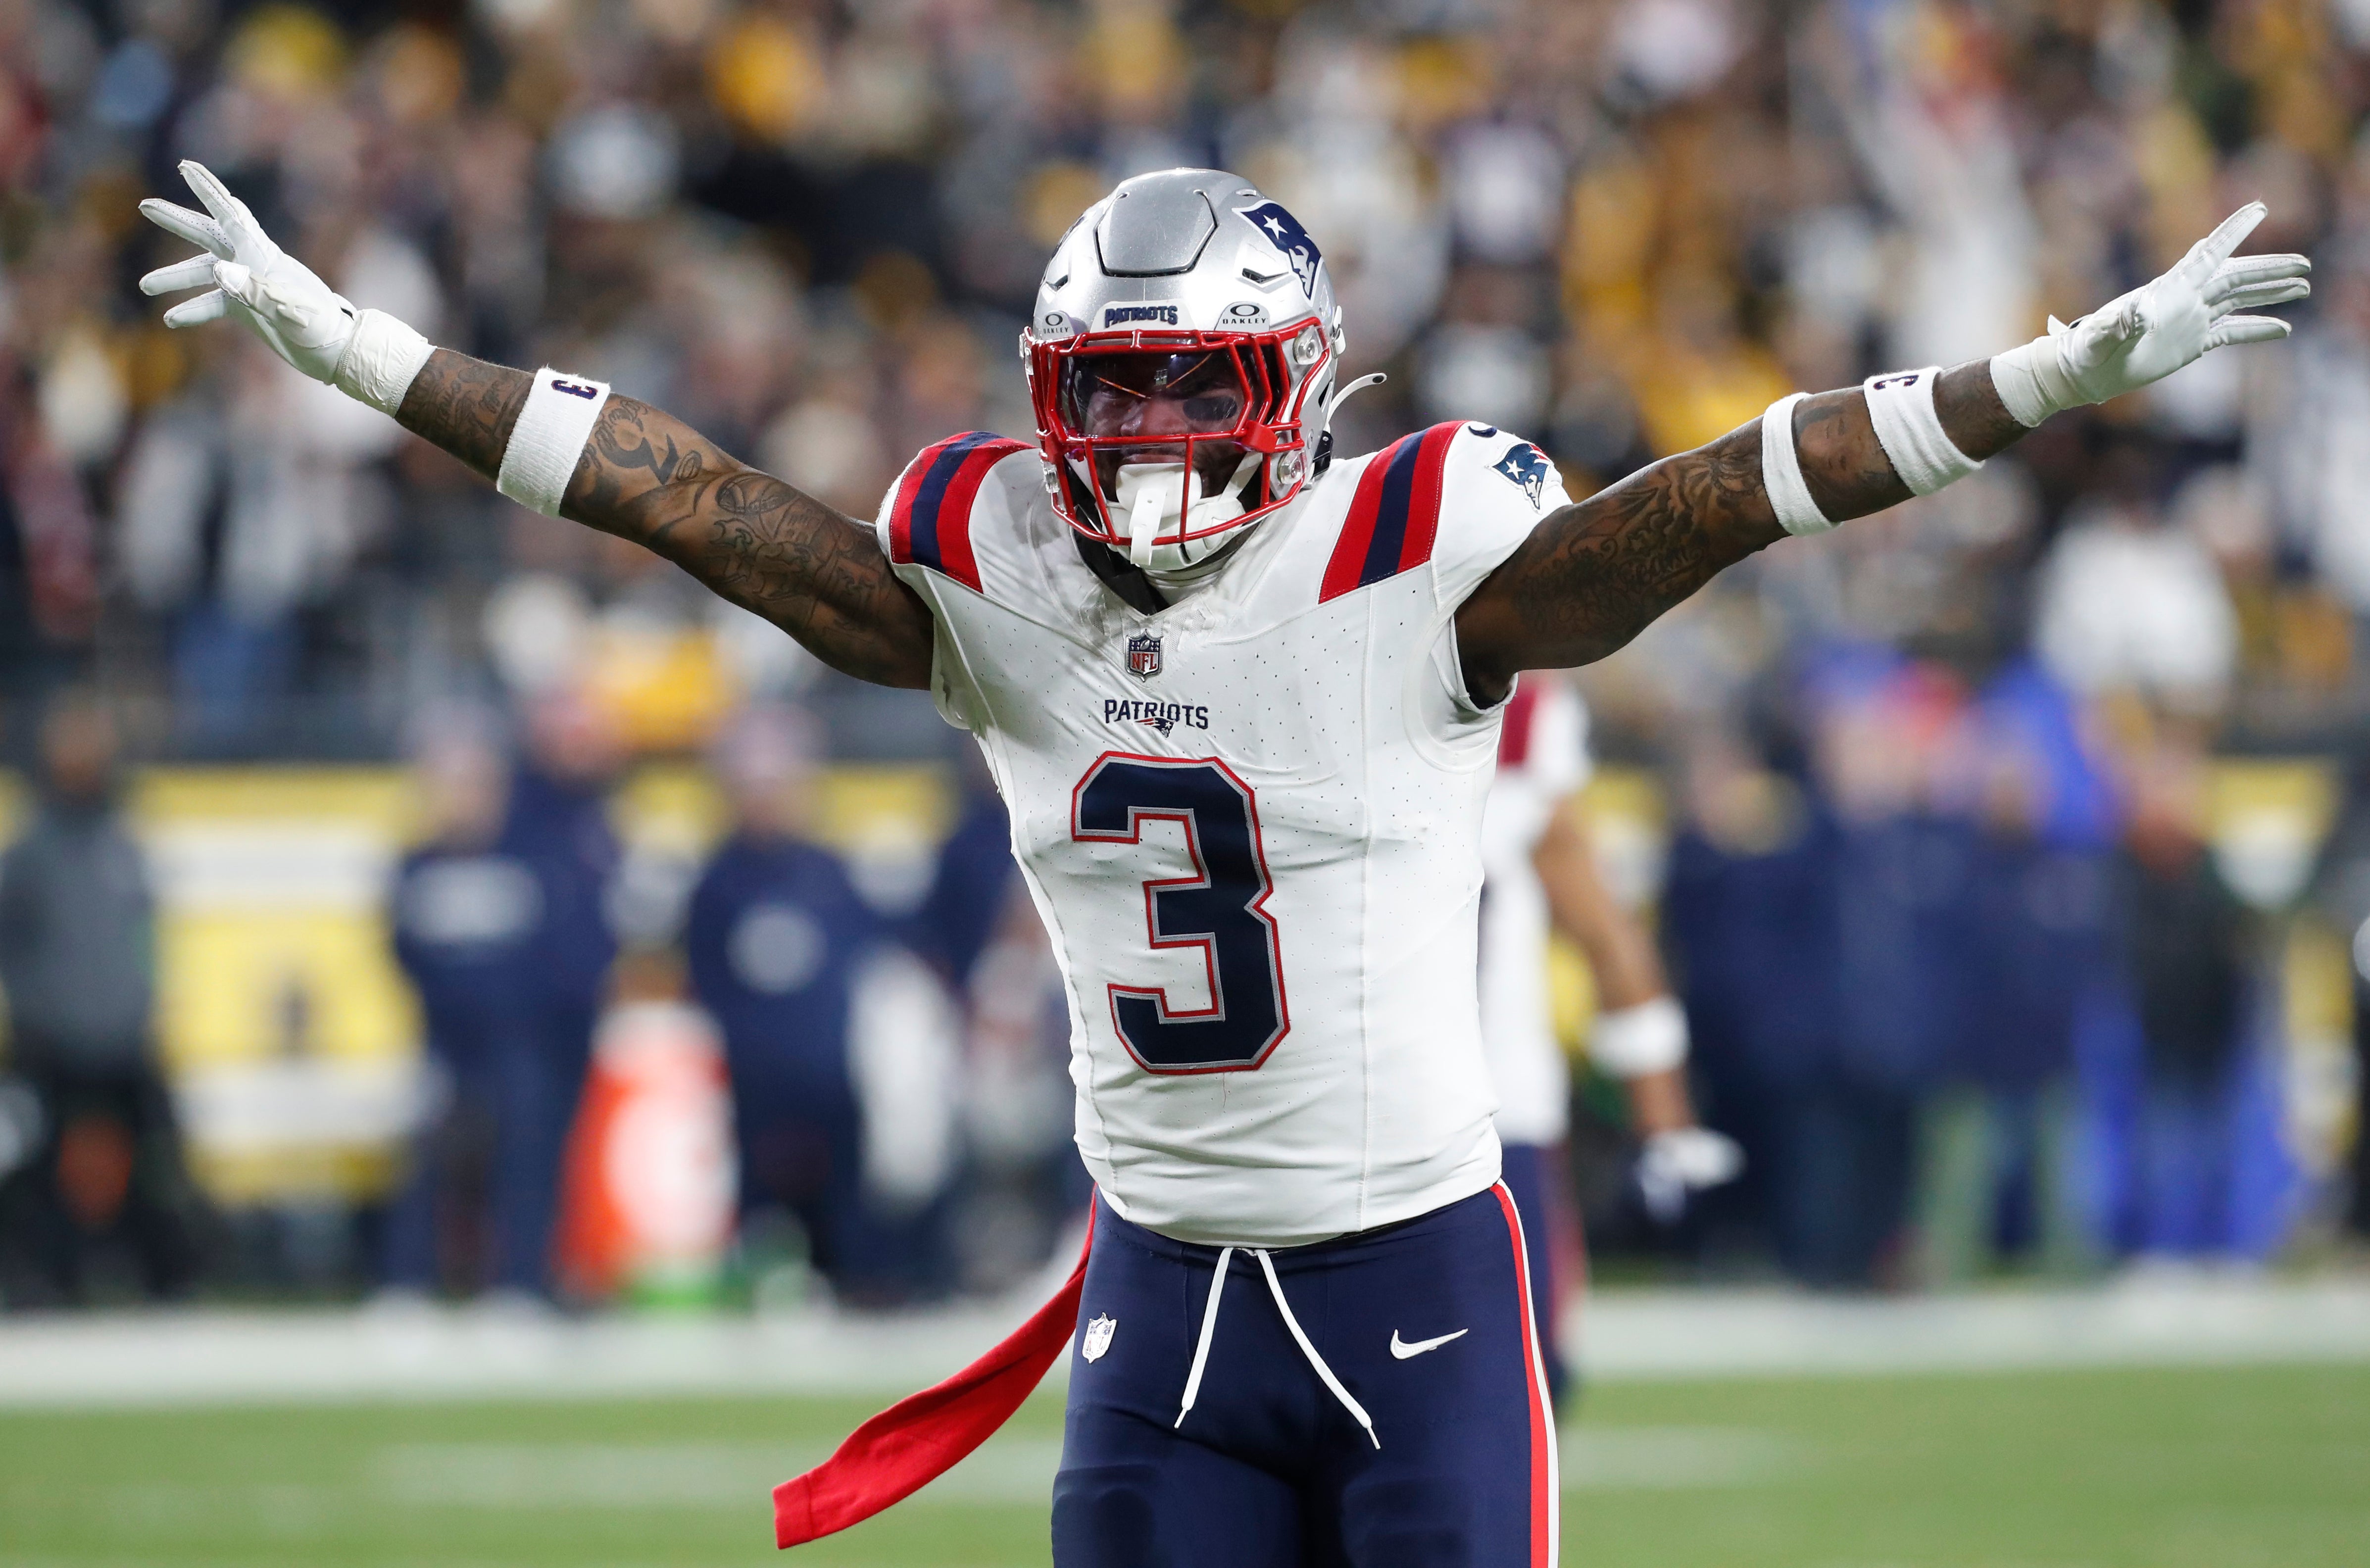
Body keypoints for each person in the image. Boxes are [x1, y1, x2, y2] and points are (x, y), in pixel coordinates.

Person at [137, 158, 2307, 1564]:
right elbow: (686, 498)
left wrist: (2032, 379)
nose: (1152, 434)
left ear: (1294, 388)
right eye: (1116, 382)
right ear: (1045, 389)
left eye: (1195, 383)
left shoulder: (1422, 552)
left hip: (1418, 1290)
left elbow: (1713, 501)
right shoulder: (988, 573)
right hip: (1161, 1303)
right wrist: (364, 352)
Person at [1478, 669, 1737, 1400]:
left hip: (1349, 1109)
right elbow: (1608, 937)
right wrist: (1666, 1123)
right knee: (1521, 1394)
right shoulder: (1518, 707)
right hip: (1491, 1119)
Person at [0, 694, 200, 1304]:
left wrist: (142, 1007)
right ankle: (39, 1280)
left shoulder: (124, 844)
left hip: (122, 1039)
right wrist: (40, 1014)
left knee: (157, 1165)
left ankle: (169, 1281)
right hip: (53, 1044)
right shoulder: (30, 855)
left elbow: (145, 941)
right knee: (37, 1171)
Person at [682, 705, 882, 1295]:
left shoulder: (826, 869)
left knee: (842, 1178)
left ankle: (851, 1279)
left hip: (825, 1063)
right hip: (753, 1068)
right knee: (753, 1183)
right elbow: (705, 974)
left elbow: (860, 960)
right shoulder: (717, 878)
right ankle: (754, 1281)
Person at [382, 717, 549, 1297]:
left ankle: (520, 1283)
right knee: (422, 1161)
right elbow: (399, 951)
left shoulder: (526, 862)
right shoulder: (417, 866)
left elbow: (543, 956)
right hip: (441, 1039)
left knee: (524, 1157)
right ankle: (408, 1282)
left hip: (513, 1038)